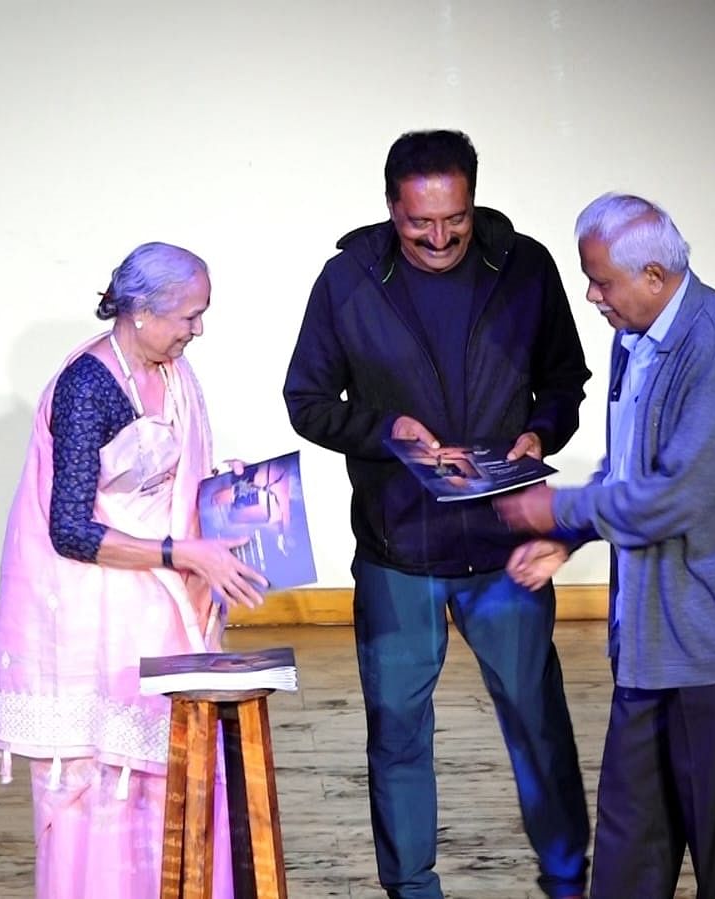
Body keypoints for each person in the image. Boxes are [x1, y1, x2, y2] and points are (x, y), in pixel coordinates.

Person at [283, 129, 593, 899]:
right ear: (391, 207)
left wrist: (541, 430)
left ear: (472, 199)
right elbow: (308, 402)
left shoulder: (525, 268)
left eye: (453, 217)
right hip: (399, 551)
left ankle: (566, 879)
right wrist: (385, 432)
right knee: (396, 735)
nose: (439, 235)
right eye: (420, 222)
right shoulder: (347, 281)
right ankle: (412, 889)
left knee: (537, 722)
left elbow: (565, 377)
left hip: (506, 547)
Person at [494, 193, 715, 898]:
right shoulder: (633, 336)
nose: (592, 296)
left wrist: (553, 504)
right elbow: (632, 467)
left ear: (654, 276)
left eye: (601, 281)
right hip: (647, 642)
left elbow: (677, 494)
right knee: (630, 847)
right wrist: (566, 535)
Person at [0, 241, 268, 899]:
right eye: (189, 316)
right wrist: (179, 552)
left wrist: (221, 497)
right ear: (140, 311)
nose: (197, 329)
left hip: (156, 611)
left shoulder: (174, 376)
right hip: (93, 616)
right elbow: (71, 528)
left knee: (175, 778)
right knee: (104, 791)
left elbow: (169, 480)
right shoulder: (88, 386)